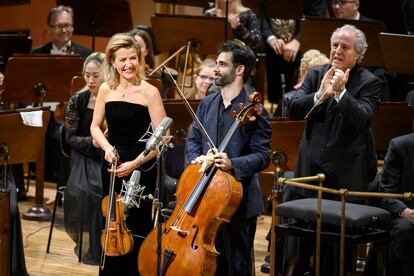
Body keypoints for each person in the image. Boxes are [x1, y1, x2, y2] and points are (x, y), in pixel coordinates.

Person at [285, 24, 382, 274]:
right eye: (334, 45)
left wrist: (341, 94)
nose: (337, 50)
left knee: (338, 252)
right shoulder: (317, 74)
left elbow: (363, 119)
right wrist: (319, 95)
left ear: (358, 54)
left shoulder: (370, 82)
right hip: (310, 170)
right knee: (302, 241)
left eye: (345, 47)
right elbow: (293, 108)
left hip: (346, 175)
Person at [186, 40, 272, 275]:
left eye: (222, 64)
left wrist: (233, 163)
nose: (216, 69)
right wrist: (197, 160)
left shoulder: (254, 109)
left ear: (239, 70)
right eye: (217, 63)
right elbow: (193, 140)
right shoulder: (208, 102)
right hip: (205, 196)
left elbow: (264, 156)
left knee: (235, 267)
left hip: (238, 202)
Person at [90, 33, 166, 275]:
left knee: (136, 224)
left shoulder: (150, 92)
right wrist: (106, 147)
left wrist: (135, 163)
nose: (129, 64)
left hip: (141, 165)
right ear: (112, 62)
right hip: (112, 163)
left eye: (133, 58)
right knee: (111, 223)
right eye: (122, 59)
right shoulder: (105, 88)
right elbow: (95, 128)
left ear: (140, 58)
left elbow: (162, 139)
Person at [63, 52, 105, 265]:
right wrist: (93, 142)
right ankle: (94, 248)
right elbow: (69, 137)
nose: (90, 80)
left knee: (108, 191)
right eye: (87, 75)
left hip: (106, 156)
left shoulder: (113, 99)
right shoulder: (78, 100)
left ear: (106, 74)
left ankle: (109, 246)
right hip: (83, 155)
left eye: (95, 75)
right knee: (89, 192)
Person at [261, 0, 326, 105]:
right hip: (270, 49)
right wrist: (270, 37)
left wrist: (297, 40)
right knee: (274, 95)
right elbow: (259, 12)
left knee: (297, 94)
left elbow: (317, 15)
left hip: (302, 45)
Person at [378, 133, 414, 276]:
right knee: (403, 230)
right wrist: (407, 212)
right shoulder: (399, 146)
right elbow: (386, 193)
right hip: (403, 212)